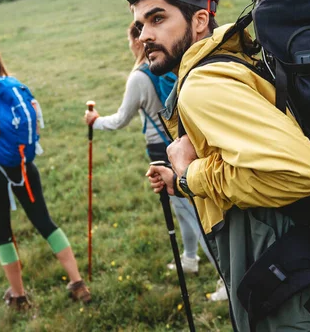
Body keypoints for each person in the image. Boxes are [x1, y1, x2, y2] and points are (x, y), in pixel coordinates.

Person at [137, 0, 310, 331]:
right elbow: (248, 164)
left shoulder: (204, 84)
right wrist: (180, 181)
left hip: (286, 281)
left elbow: (301, 173)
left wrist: (191, 173)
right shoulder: (232, 61)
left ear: (198, 21)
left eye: (157, 19)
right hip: (307, 262)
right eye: (141, 24)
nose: (145, 34)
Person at [84, 22, 227, 301]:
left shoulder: (139, 77)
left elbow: (120, 120)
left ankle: (226, 279)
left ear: (135, 42)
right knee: (185, 212)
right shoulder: (172, 67)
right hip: (184, 146)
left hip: (161, 153)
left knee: (195, 217)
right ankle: (189, 259)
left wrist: (95, 121)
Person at [0, 31, 91, 310]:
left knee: (2, 234)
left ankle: (18, 297)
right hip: (23, 166)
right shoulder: (12, 84)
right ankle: (78, 284)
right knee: (45, 222)